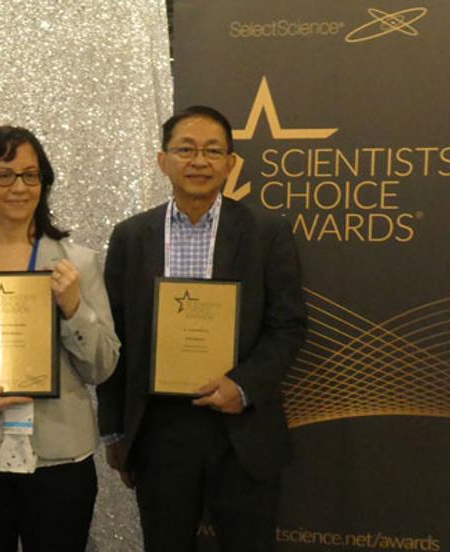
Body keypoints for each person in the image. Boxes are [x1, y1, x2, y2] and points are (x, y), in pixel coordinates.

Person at [97, 105, 307, 551]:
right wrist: (115, 430)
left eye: (213, 151)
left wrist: (243, 386)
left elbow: (287, 325)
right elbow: (116, 337)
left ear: (230, 164)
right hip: (160, 430)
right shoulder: (132, 237)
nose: (199, 161)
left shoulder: (267, 233)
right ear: (163, 160)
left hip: (242, 427)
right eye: (186, 149)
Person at [0, 125, 119, 552]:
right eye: (4, 175)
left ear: (44, 184)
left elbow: (103, 365)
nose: (19, 187)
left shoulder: (79, 263)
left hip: (60, 458)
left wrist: (74, 308)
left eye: (31, 175)